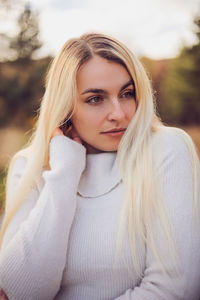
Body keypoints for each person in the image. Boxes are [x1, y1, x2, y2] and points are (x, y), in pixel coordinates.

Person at [0, 32, 200, 300]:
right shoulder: (30, 167)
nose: (119, 113)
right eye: (95, 99)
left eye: (127, 94)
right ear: (66, 106)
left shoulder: (166, 150)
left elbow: (175, 289)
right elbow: (20, 292)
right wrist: (65, 172)